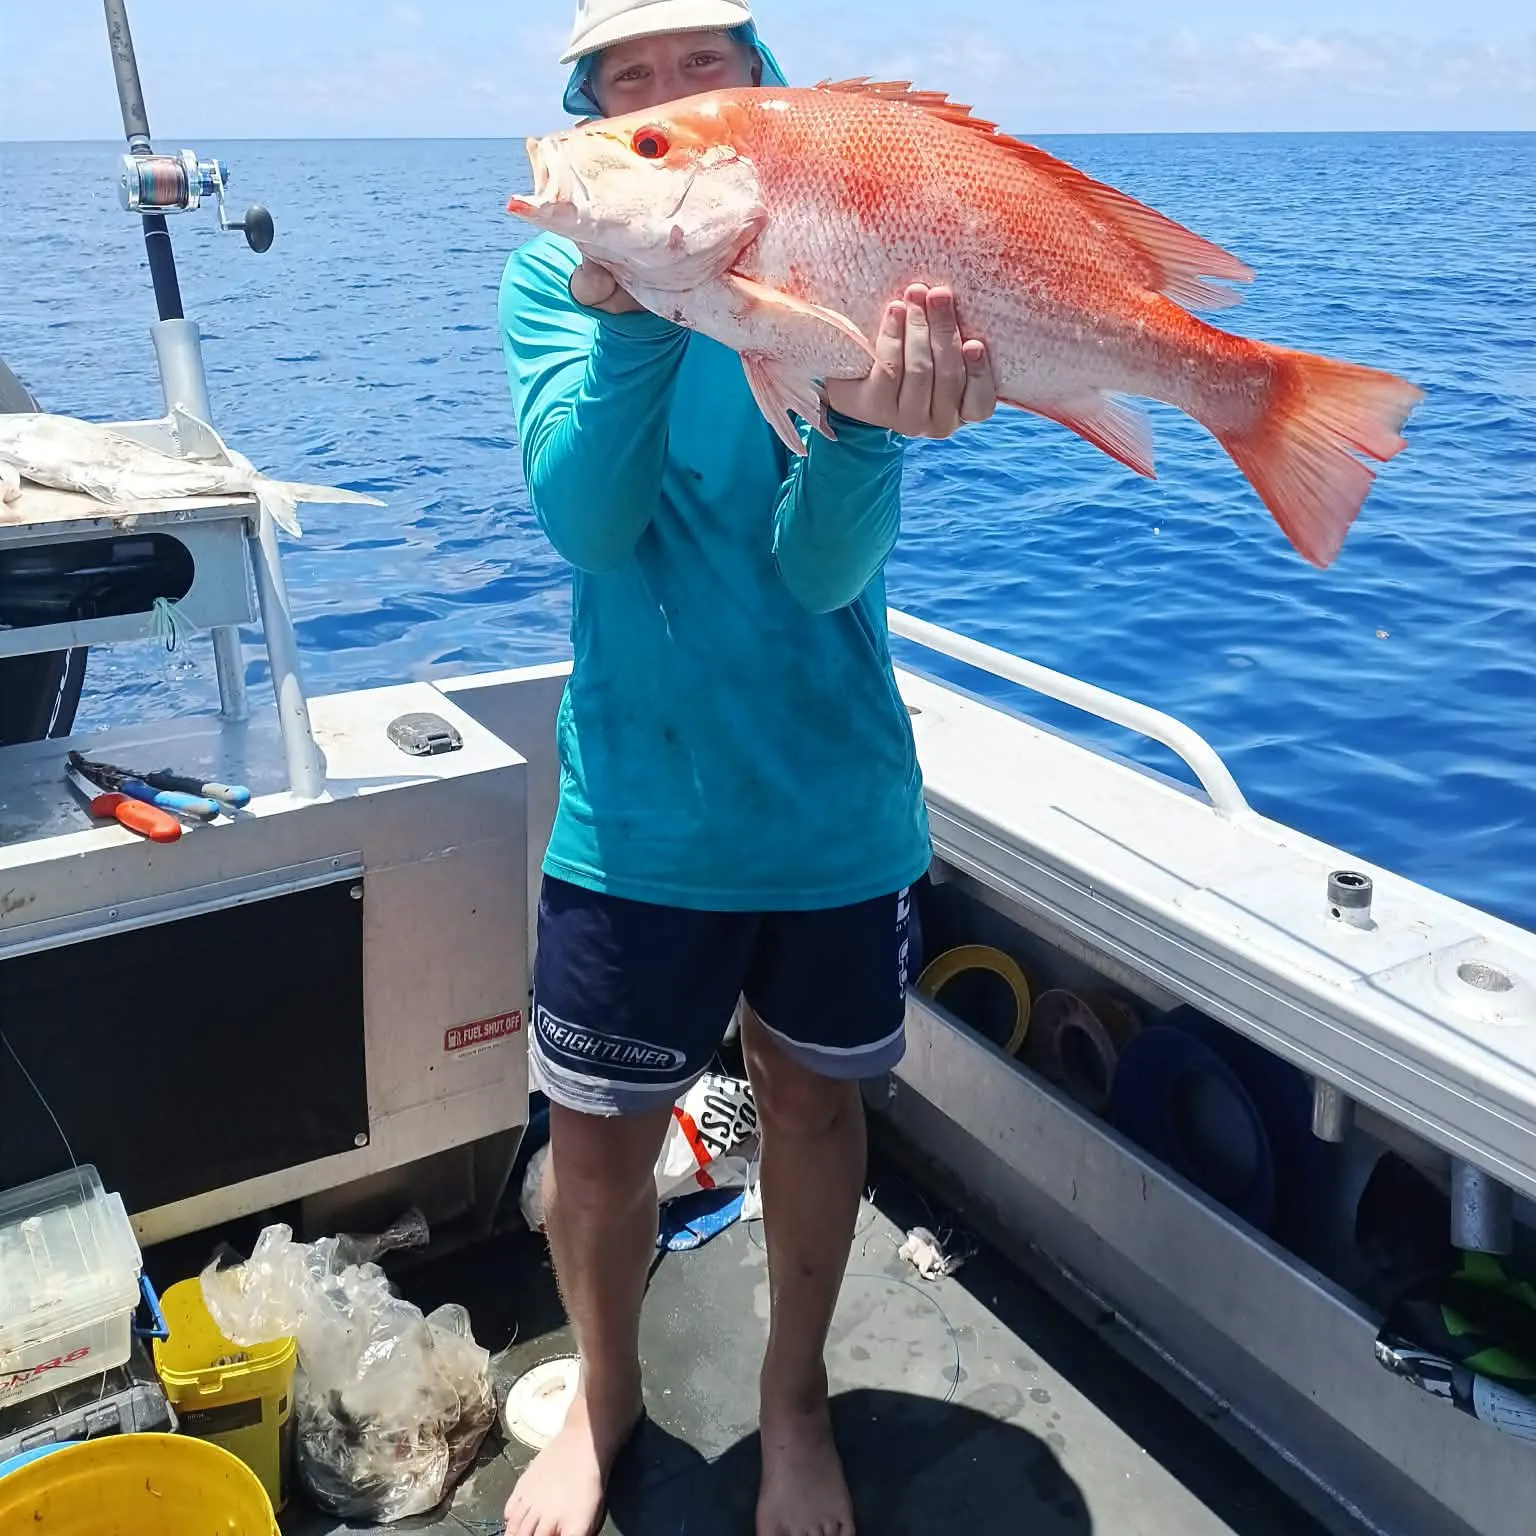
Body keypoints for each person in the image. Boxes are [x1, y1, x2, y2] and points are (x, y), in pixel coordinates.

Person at [497, 3, 997, 1533]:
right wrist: (647, 310)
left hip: (829, 796)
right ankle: (605, 1395)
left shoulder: (832, 250)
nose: (654, 98)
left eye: (695, 71)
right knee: (596, 1146)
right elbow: (588, 522)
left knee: (814, 1108)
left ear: (758, 91)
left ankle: (794, 1401)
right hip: (640, 808)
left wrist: (864, 431)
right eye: (623, 88)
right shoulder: (554, 277)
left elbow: (825, 572)